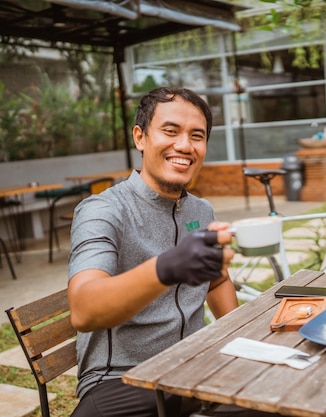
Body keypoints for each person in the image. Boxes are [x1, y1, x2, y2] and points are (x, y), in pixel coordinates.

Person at [68, 87, 238, 417]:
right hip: (122, 379)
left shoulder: (201, 211)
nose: (185, 146)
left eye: (197, 136)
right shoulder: (101, 211)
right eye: (170, 131)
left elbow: (216, 282)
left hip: (192, 365)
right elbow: (83, 310)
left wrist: (236, 339)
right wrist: (167, 267)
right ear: (140, 137)